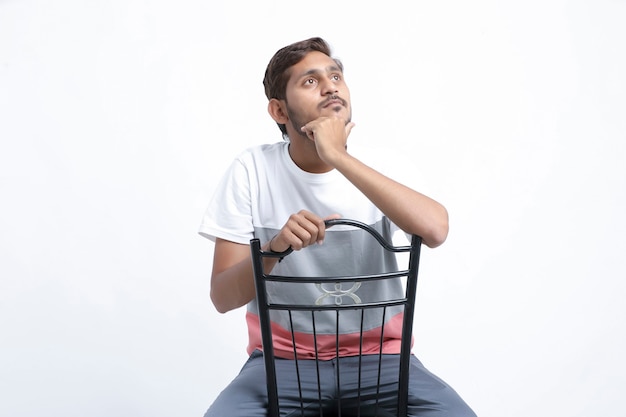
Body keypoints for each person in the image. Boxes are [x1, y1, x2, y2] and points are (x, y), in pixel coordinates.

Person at [199, 37, 476, 417]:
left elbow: (437, 229)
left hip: (385, 362)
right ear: (279, 111)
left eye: (336, 76)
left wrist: (337, 156)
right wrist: (274, 249)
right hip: (279, 364)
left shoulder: (385, 168)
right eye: (310, 81)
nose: (330, 86)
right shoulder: (252, 170)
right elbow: (222, 297)